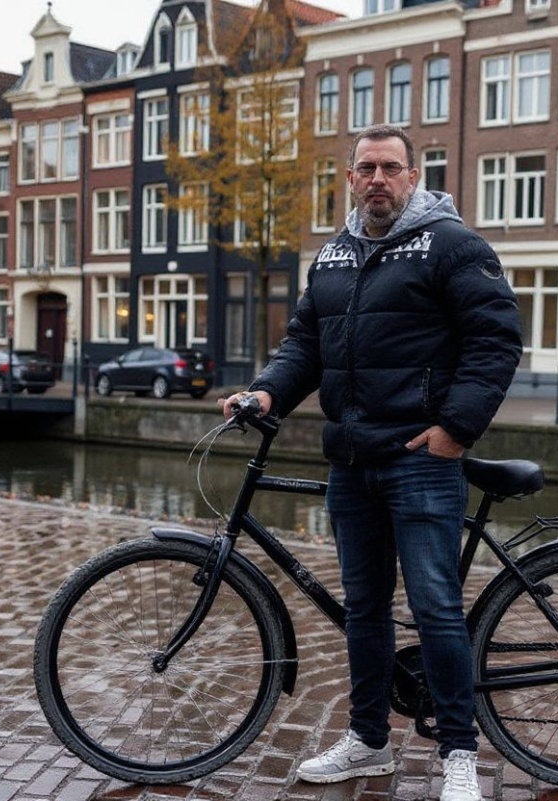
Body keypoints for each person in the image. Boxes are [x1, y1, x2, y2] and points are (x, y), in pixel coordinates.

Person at [220, 124, 522, 801]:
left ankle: (459, 754)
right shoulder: (332, 257)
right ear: (350, 179)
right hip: (352, 462)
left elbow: (496, 339)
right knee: (365, 610)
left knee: (437, 606)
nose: (378, 178)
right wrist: (266, 389)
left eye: (391, 167)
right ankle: (368, 741)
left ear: (413, 176)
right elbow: (304, 343)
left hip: (420, 458)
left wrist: (455, 428)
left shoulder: (451, 244)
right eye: (367, 168)